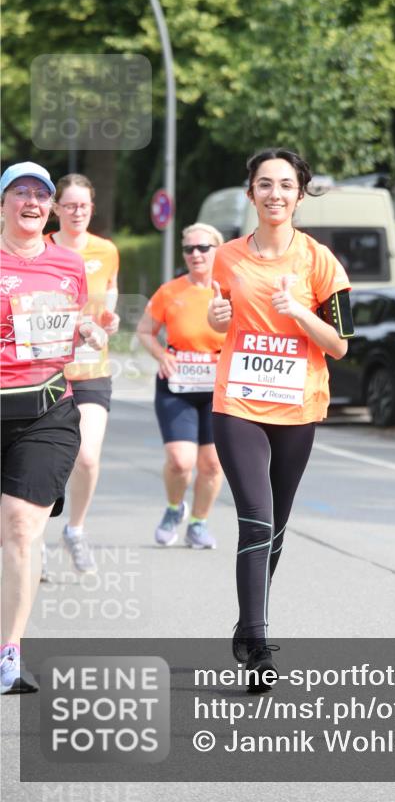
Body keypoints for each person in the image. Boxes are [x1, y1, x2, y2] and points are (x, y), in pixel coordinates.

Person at [208, 148, 353, 691]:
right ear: (251, 193)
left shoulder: (320, 261)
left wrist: (299, 314)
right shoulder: (226, 258)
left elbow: (340, 344)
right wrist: (216, 317)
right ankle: (259, 643)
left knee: (277, 527)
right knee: (256, 519)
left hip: (297, 407)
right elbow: (219, 319)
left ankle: (248, 622)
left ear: (299, 195)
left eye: (285, 185)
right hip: (239, 403)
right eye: (265, 184)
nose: (275, 194)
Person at [0, 162, 107, 694]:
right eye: (20, 192)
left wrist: (87, 328)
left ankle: (8, 652)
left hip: (46, 410)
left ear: (50, 208)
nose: (32, 201)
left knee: (21, 525)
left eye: (40, 195)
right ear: (3, 203)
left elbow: (73, 317)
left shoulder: (69, 263)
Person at [44, 174, 120, 574]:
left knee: (87, 457)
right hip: (46, 370)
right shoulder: (41, 248)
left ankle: (75, 529)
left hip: (91, 368)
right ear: (56, 208)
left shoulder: (106, 250)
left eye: (84, 206)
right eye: (70, 205)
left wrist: (110, 318)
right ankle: (33, 538)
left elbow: (111, 291)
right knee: (45, 458)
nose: (77, 212)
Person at [137, 223, 226, 550]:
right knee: (180, 461)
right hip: (178, 385)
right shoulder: (170, 291)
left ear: (218, 250)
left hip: (218, 388)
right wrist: (162, 355)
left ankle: (199, 524)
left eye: (203, 248)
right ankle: (174, 508)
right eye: (189, 249)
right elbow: (144, 331)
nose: (195, 254)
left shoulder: (230, 291)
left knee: (212, 463)